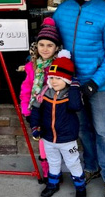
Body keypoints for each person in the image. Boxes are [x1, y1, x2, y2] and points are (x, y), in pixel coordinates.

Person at [53, 0, 105, 197]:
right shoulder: (63, 10)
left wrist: (94, 82)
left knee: (103, 131)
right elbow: (51, 40)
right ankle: (91, 167)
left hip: (98, 85)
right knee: (82, 129)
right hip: (71, 84)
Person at [30, 50, 86, 197]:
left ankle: (80, 188)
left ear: (67, 80)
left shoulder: (71, 94)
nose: (54, 81)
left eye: (59, 78)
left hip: (67, 139)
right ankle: (52, 184)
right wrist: (35, 127)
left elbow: (76, 106)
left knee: (73, 163)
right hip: (48, 137)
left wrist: (74, 86)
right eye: (52, 77)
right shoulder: (45, 93)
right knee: (53, 162)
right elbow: (35, 110)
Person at [19, 17, 61, 183]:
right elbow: (26, 88)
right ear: (36, 46)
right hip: (36, 110)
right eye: (42, 45)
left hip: (54, 110)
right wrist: (26, 109)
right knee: (42, 142)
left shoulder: (59, 65)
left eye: (50, 45)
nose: (45, 49)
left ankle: (56, 170)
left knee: (55, 142)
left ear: (56, 47)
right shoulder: (32, 66)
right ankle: (47, 172)